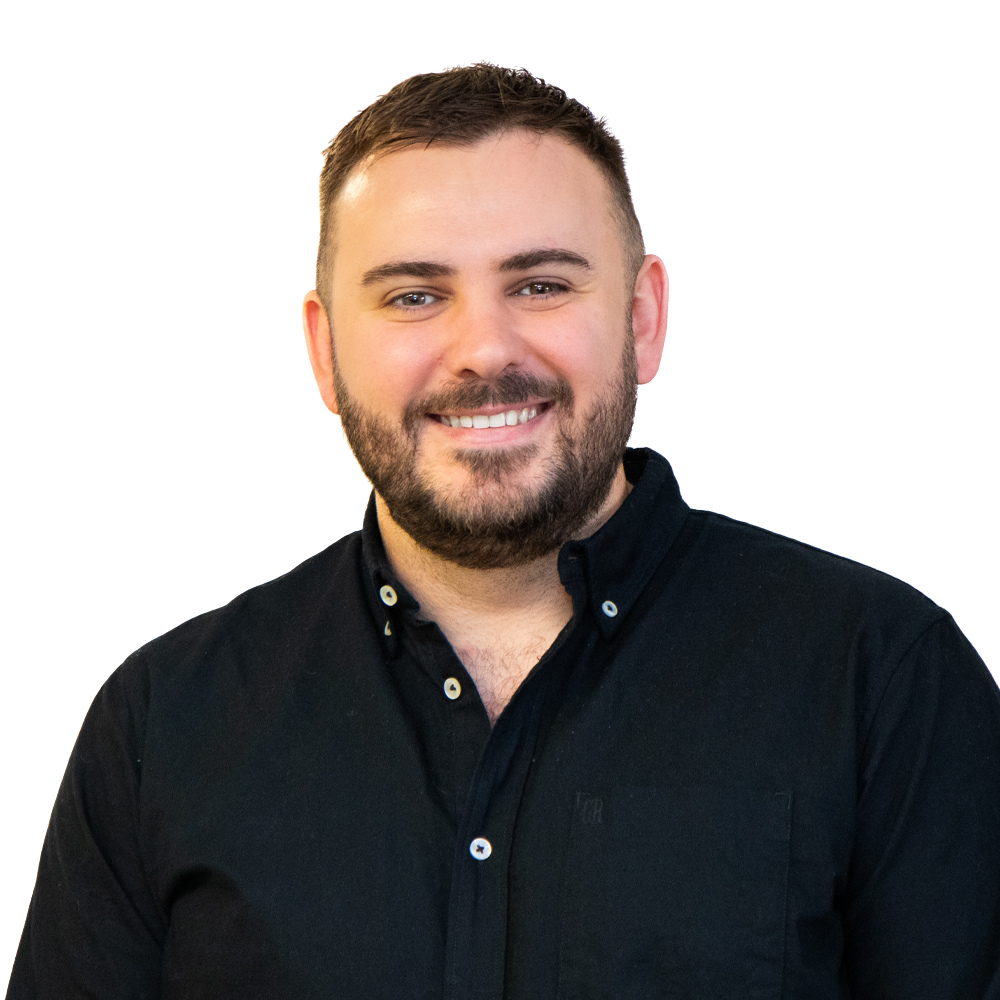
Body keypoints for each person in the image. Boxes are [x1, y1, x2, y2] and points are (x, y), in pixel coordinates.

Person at [10, 64, 999, 999]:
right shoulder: (160, 724)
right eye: (414, 295)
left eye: (540, 284)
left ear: (643, 318)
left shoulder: (882, 679)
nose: (483, 349)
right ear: (322, 350)